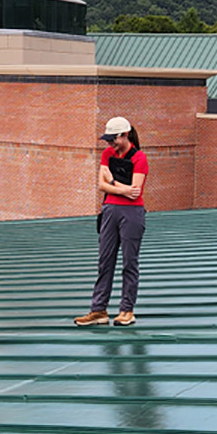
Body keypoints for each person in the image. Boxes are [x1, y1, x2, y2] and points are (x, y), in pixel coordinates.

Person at [75, 116, 147, 327]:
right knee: (105, 261)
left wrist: (112, 182)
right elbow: (101, 185)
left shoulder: (139, 157)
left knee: (129, 263)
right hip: (109, 211)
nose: (110, 144)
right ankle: (99, 310)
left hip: (132, 214)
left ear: (124, 135)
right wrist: (121, 188)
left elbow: (136, 193)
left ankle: (127, 310)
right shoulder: (107, 154)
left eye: (113, 139)